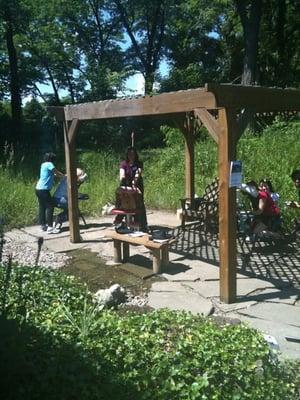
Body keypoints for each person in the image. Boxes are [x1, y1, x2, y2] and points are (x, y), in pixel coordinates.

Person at [114, 146, 148, 231]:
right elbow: (121, 173)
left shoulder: (139, 163)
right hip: (126, 185)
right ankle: (120, 222)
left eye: (133, 154)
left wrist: (134, 182)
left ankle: (142, 225)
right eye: (129, 154)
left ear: (135, 155)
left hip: (137, 185)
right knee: (124, 203)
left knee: (138, 204)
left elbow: (138, 173)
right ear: (127, 155)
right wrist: (123, 178)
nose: (131, 156)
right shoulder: (123, 163)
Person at [35, 152, 64, 233]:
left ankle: (42, 226)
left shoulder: (43, 164)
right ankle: (50, 227)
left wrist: (56, 175)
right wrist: (64, 176)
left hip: (38, 189)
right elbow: (56, 172)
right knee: (50, 206)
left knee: (42, 207)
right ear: (52, 159)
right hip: (44, 190)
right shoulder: (50, 164)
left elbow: (49, 174)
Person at [52, 168, 88, 233]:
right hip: (60, 199)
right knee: (74, 209)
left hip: (57, 198)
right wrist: (81, 195)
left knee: (70, 209)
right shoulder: (70, 180)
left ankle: (59, 219)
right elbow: (72, 193)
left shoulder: (67, 177)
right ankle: (59, 219)